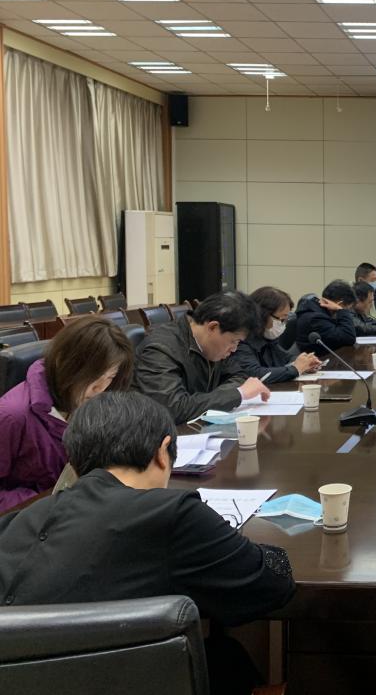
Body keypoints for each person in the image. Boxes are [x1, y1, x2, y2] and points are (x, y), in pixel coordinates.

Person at [0, 392, 296, 694]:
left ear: (74, 462)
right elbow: (273, 583)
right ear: (162, 451)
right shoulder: (173, 514)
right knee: (227, 659)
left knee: (225, 655)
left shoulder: (13, 524)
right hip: (129, 680)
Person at [0, 317, 133, 511]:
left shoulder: (93, 401)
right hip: (33, 517)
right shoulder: (12, 415)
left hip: (75, 507)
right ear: (64, 362)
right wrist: (47, 503)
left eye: (110, 376)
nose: (100, 388)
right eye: (95, 376)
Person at [134, 291, 270, 425]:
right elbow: (173, 409)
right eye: (234, 341)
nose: (234, 349)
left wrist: (213, 400)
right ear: (213, 327)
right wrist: (238, 394)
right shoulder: (161, 349)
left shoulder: (213, 346)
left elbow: (238, 375)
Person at [228, 286, 321, 384]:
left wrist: (305, 362)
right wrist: (295, 369)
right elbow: (255, 374)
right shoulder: (240, 340)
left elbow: (285, 358)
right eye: (281, 319)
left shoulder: (267, 336)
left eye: (286, 319)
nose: (283, 324)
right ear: (262, 315)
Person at [295, 280, 357, 353]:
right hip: (320, 358)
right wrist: (341, 310)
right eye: (347, 309)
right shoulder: (315, 318)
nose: (348, 312)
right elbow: (348, 338)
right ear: (340, 304)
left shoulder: (319, 311)